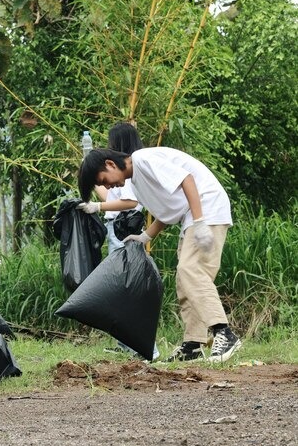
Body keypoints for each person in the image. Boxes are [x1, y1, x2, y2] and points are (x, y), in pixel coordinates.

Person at [78, 147, 242, 363]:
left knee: (190, 270)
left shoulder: (143, 160)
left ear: (110, 164)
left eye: (104, 180)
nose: (109, 186)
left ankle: (224, 333)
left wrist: (201, 221)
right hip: (192, 216)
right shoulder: (136, 180)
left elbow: (187, 180)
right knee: (184, 279)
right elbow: (168, 210)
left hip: (206, 208)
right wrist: (145, 237)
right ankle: (193, 345)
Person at [76, 123, 159, 360]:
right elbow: (111, 195)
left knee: (128, 288)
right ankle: (127, 344)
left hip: (126, 229)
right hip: (116, 228)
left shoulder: (133, 167)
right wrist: (94, 179)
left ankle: (146, 348)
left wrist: (97, 206)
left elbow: (130, 202)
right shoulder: (120, 171)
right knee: (120, 287)